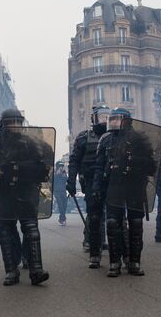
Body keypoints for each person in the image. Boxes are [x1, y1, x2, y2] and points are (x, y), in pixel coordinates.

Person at [0, 109, 52, 286]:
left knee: (31, 230)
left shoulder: (33, 144)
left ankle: (36, 269)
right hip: (5, 195)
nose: (16, 126)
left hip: (27, 192)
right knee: (6, 232)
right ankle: (11, 271)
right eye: (12, 122)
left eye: (19, 122)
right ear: (3, 124)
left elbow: (44, 165)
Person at [93, 108, 160, 277]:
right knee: (113, 223)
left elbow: (151, 166)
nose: (114, 122)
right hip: (114, 186)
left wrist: (135, 162)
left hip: (134, 186)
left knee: (136, 224)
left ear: (127, 120)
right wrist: (97, 187)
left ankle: (134, 262)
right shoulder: (105, 139)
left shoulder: (139, 138)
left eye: (117, 119)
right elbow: (99, 167)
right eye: (112, 119)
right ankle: (114, 262)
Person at [67, 105, 109, 266]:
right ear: (94, 119)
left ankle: (103, 241)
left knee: (109, 215)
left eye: (107, 117)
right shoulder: (84, 137)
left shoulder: (113, 136)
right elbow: (74, 161)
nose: (104, 120)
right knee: (94, 215)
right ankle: (92, 246)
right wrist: (71, 181)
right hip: (91, 182)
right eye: (101, 117)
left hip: (110, 181)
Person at [53, 161, 68, 226]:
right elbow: (53, 180)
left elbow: (66, 180)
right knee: (61, 206)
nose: (61, 167)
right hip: (57, 191)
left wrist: (64, 174)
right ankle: (63, 219)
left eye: (62, 166)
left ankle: (61, 218)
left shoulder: (64, 173)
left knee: (65, 206)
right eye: (60, 166)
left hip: (63, 191)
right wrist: (57, 174)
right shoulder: (55, 173)